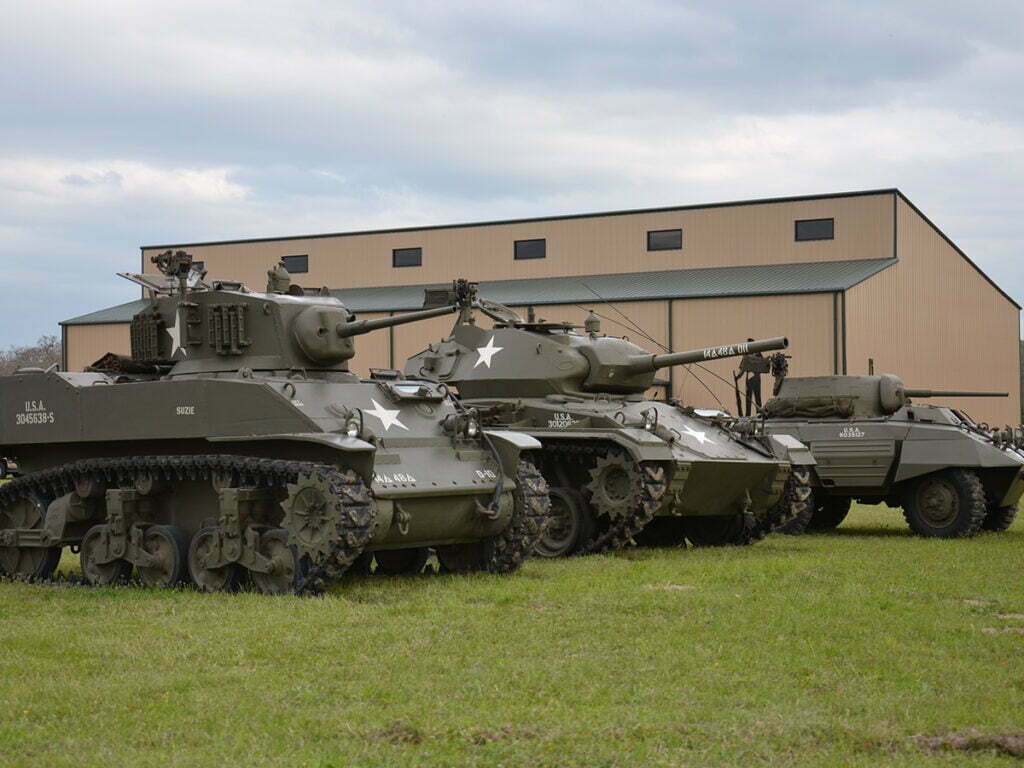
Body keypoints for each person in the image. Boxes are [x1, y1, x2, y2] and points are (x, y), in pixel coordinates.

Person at [739, 338, 770, 415]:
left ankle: (758, 414)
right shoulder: (747, 354)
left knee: (757, 397)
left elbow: (763, 364)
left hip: (755, 378)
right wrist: (738, 376)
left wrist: (738, 376)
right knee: (749, 398)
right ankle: (748, 414)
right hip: (750, 378)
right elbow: (743, 367)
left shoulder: (756, 354)